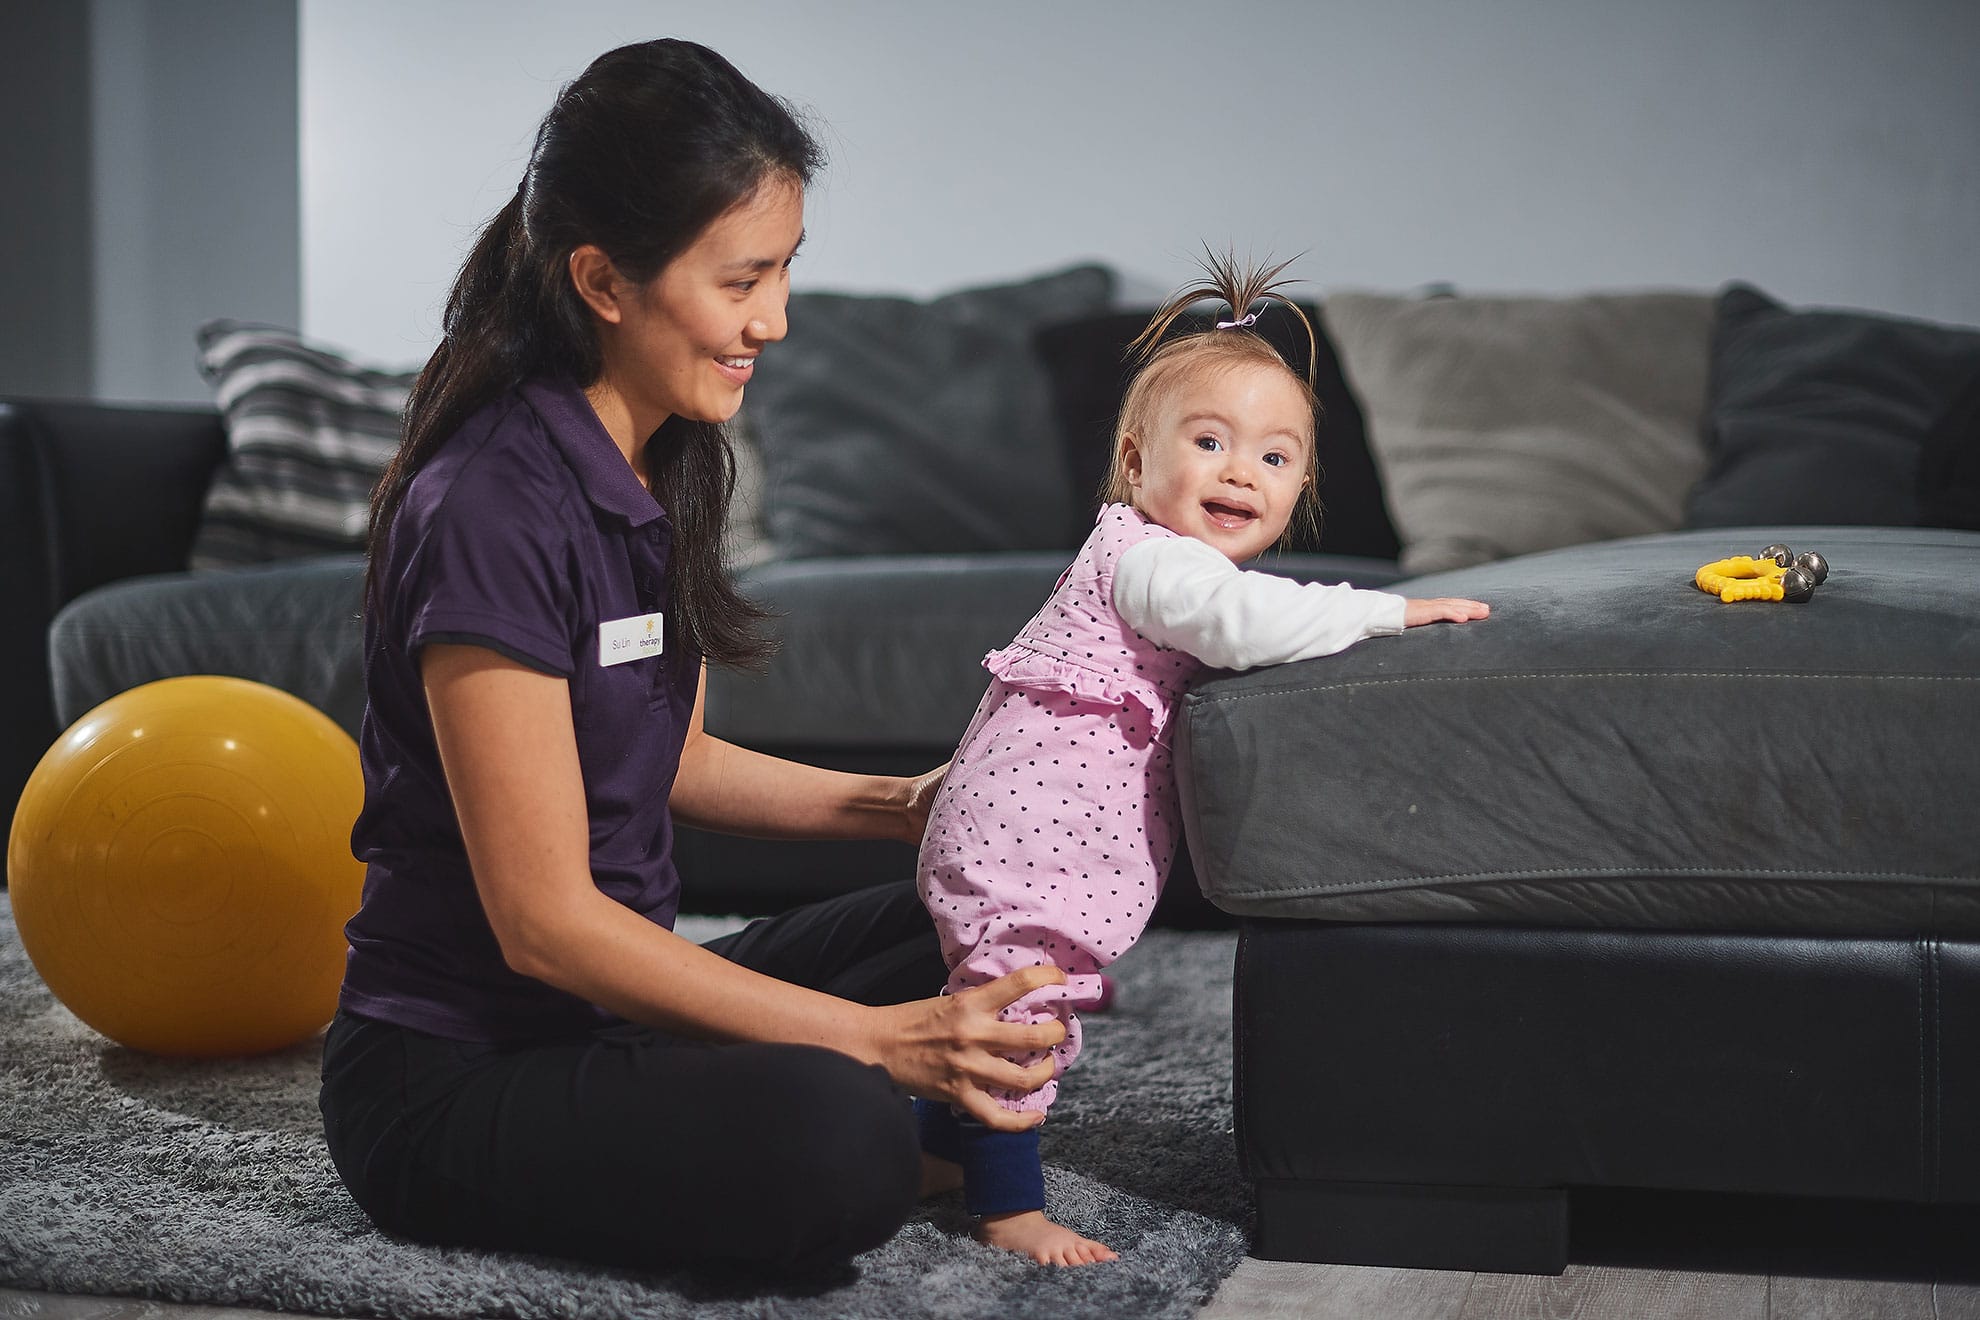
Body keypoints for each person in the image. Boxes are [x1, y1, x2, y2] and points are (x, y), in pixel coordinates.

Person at [316, 38, 1069, 1278]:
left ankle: (895, 1105)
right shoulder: (490, 509)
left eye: (784, 271)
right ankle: (899, 1126)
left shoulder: (656, 458)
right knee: (844, 1151)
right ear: (604, 281)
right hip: (455, 1076)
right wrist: (877, 1046)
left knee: (997, 927)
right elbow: (545, 925)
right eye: (743, 279)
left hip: (624, 1019)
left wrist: (920, 809)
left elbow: (674, 758)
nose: (773, 320)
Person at [913, 253, 1492, 1265]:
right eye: (1210, 441)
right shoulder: (1155, 563)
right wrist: (1394, 612)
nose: (1239, 471)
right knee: (1021, 1015)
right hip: (1026, 838)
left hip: (1025, 827)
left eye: (1274, 458)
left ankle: (938, 1151)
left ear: (1303, 487)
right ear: (1136, 463)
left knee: (1003, 1000)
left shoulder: (1149, 554)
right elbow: (1238, 621)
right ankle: (1007, 1210)